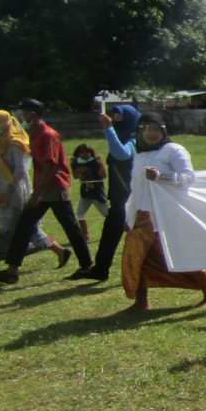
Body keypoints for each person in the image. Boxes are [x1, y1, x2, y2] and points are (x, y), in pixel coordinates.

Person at [120, 113, 206, 311]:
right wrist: (129, 215)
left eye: (155, 129)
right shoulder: (139, 154)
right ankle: (141, 301)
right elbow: (136, 187)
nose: (151, 133)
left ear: (163, 130)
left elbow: (188, 178)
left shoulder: (173, 150)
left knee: (173, 254)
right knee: (137, 258)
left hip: (165, 216)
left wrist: (161, 176)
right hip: (141, 215)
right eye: (146, 129)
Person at [0, 100, 93, 283]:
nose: (20, 116)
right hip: (43, 188)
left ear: (32, 114)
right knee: (24, 226)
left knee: (71, 228)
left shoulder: (48, 135)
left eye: (23, 112)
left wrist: (37, 193)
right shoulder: (33, 133)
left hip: (55, 188)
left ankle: (86, 265)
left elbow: (51, 166)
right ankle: (12, 270)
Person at [0, 109, 71, 277]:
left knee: (11, 229)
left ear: (4, 124)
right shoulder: (0, 144)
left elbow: (21, 172)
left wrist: (7, 191)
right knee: (8, 228)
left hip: (16, 192)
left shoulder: (16, 145)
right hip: (3, 190)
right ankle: (59, 250)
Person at [73, 103, 142, 282]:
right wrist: (110, 130)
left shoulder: (135, 140)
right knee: (110, 235)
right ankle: (100, 269)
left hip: (132, 200)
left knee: (143, 238)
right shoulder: (123, 136)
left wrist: (109, 129)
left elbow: (121, 154)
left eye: (118, 116)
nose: (114, 118)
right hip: (121, 198)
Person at [70, 143, 109, 241]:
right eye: (82, 152)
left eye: (87, 152)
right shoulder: (76, 163)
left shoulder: (96, 162)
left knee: (107, 214)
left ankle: (117, 229)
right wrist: (79, 171)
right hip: (86, 193)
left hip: (97, 193)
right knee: (79, 214)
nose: (84, 154)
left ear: (90, 152)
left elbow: (104, 175)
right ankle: (85, 234)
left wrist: (101, 165)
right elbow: (75, 176)